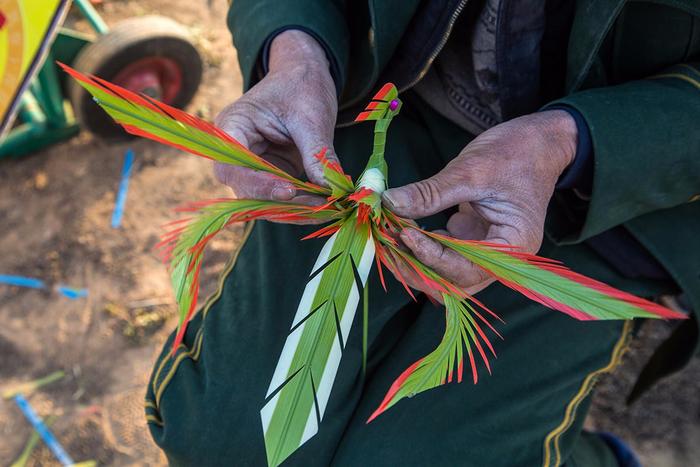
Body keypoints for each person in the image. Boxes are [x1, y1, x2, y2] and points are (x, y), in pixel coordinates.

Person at [144, 1, 700, 465]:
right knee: (226, 442)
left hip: (612, 198)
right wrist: (296, 49)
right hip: (376, 112)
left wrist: (571, 141)